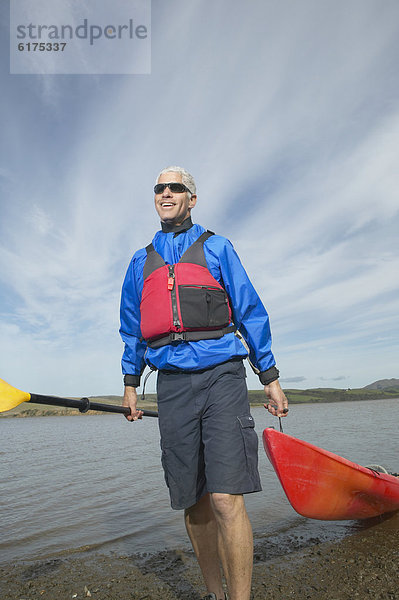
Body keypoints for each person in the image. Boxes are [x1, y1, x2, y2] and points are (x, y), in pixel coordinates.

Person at [120, 166, 288, 600]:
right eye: (160, 187)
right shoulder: (141, 261)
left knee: (225, 498)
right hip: (171, 383)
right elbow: (132, 327)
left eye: (177, 187)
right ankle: (215, 594)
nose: (167, 192)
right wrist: (130, 384)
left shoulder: (217, 247)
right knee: (193, 503)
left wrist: (268, 376)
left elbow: (250, 309)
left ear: (192, 200)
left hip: (222, 377)